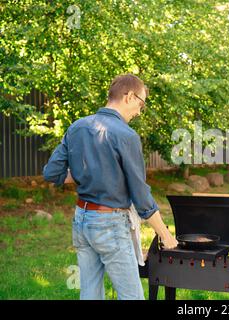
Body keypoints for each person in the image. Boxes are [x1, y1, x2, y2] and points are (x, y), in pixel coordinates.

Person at [43, 74, 178, 300]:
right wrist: (165, 235)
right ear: (128, 96)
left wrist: (92, 175)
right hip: (109, 225)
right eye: (141, 104)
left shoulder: (77, 127)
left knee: (90, 293)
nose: (139, 111)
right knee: (132, 296)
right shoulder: (126, 135)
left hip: (82, 221)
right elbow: (141, 195)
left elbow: (52, 173)